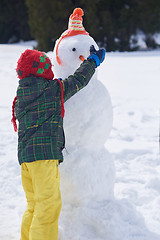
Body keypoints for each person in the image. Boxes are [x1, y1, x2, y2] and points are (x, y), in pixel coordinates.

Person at [11, 45, 105, 240]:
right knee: (48, 206)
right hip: (44, 159)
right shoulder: (52, 90)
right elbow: (77, 80)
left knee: (34, 205)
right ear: (41, 71)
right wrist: (92, 62)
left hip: (26, 161)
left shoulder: (20, 96)